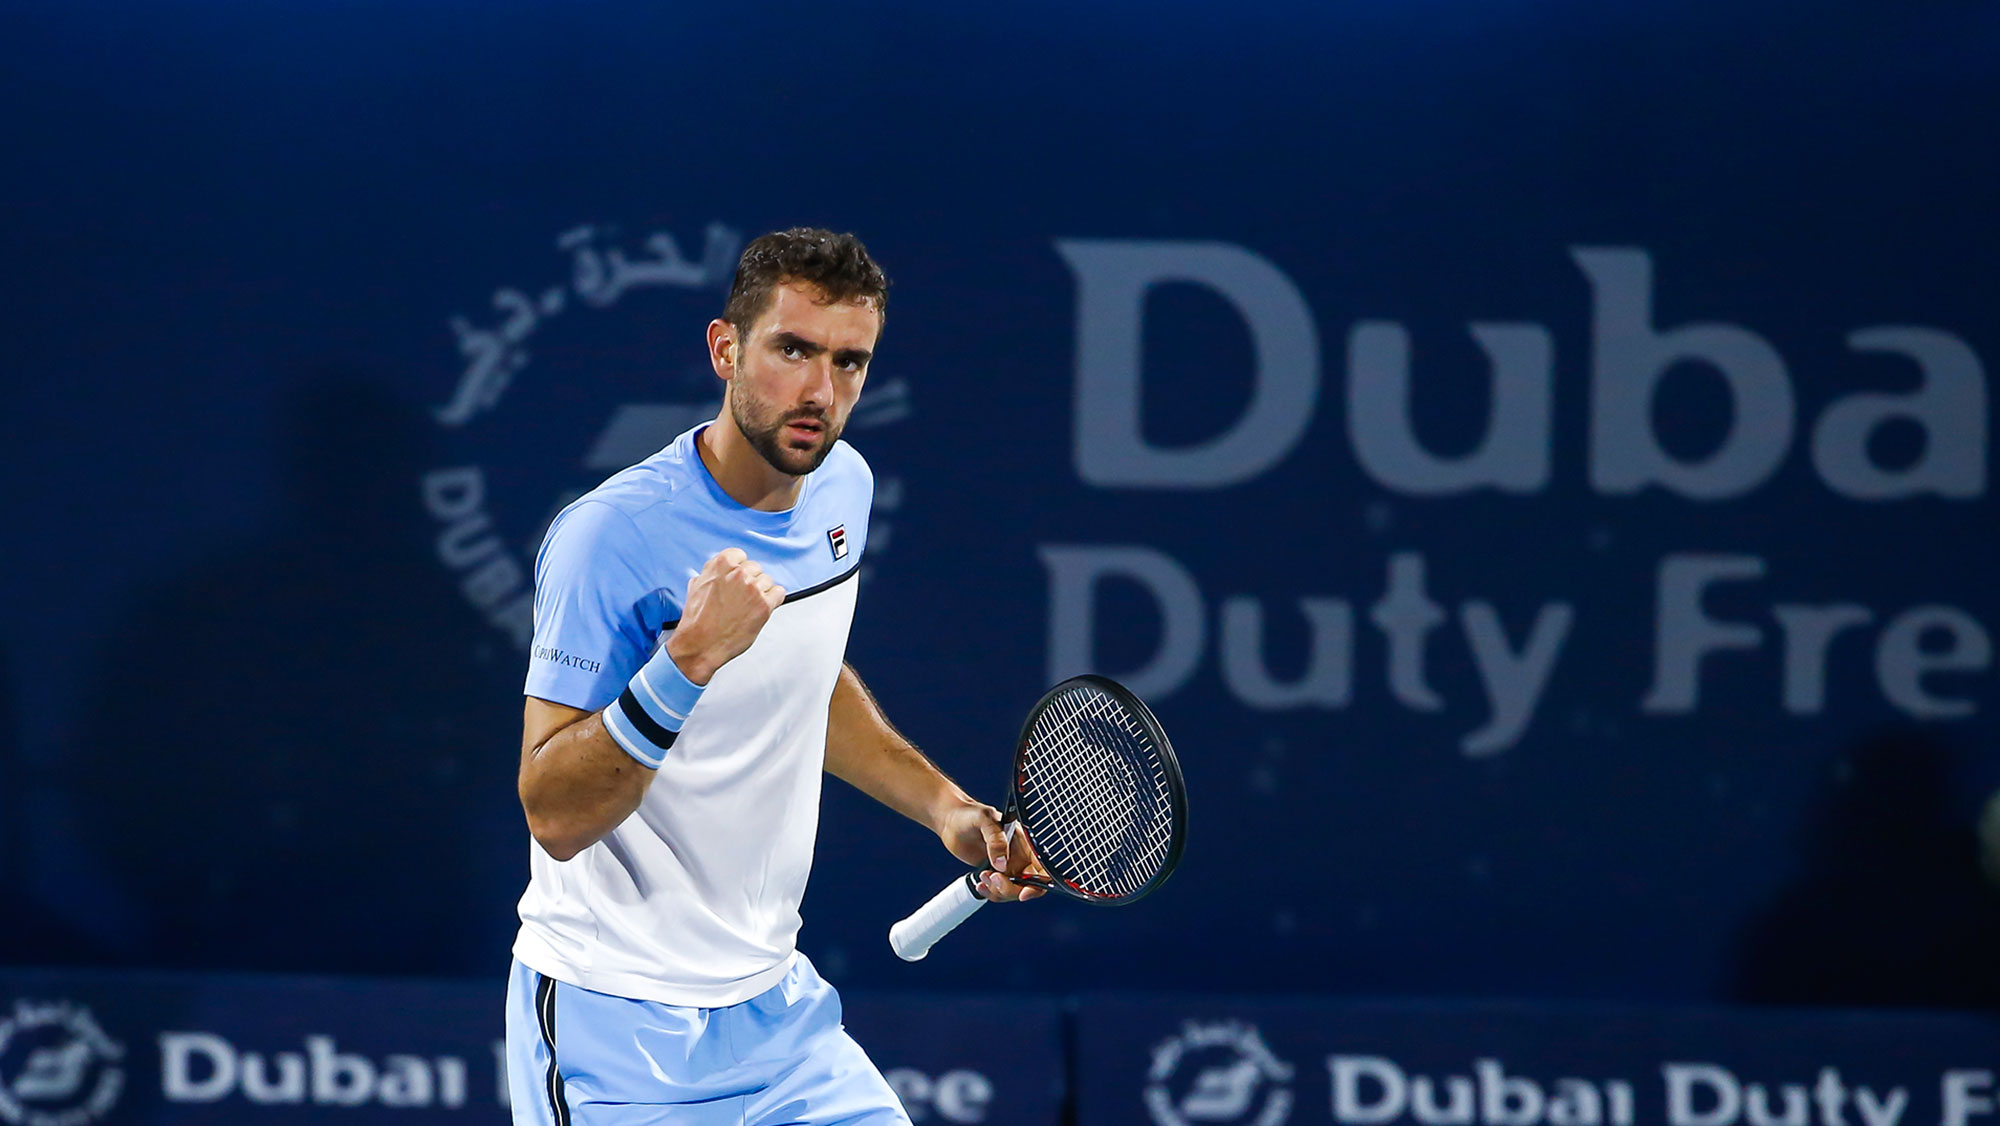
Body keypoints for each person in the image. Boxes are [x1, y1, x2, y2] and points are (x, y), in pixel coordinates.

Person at [503, 228, 1041, 1125]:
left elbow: (806, 678)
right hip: (615, 1026)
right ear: (725, 348)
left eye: (849, 363)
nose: (820, 393)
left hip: (779, 1019)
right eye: (792, 350)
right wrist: (686, 663)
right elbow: (555, 814)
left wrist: (947, 809)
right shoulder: (610, 538)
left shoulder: (844, 491)